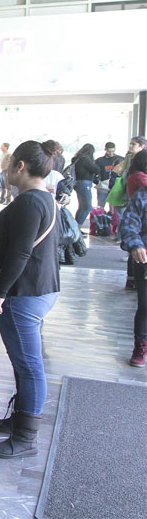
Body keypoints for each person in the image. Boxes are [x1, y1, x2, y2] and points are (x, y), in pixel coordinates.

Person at [0, 140, 61, 458]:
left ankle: (26, 437)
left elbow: (20, 251)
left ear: (21, 166)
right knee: (24, 361)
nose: (5, 167)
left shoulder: (30, 203)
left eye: (10, 162)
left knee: (29, 365)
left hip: (24, 292)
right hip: (37, 288)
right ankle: (20, 420)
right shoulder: (44, 198)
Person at [120, 149, 147, 367]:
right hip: (145, 258)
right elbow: (129, 222)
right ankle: (141, 345)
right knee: (145, 304)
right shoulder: (143, 194)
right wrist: (135, 244)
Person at [69, 143, 98, 228]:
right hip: (84, 183)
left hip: (77, 184)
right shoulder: (85, 159)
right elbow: (96, 169)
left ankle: (76, 227)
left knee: (81, 207)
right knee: (87, 207)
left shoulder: (76, 159)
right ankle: (77, 227)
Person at [96, 142, 121, 209]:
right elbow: (95, 172)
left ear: (115, 149)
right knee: (100, 206)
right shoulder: (99, 160)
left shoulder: (120, 159)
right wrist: (97, 182)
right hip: (103, 185)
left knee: (114, 208)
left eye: (112, 151)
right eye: (109, 151)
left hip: (115, 186)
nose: (111, 153)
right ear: (105, 150)